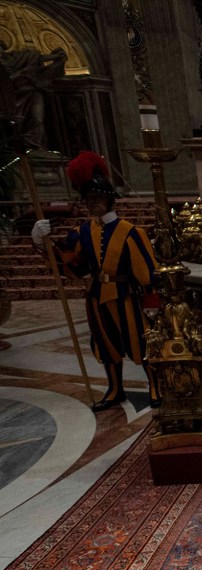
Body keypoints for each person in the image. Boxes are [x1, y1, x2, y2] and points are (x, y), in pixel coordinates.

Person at [32, 151, 160, 411]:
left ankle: (155, 386)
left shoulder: (131, 233)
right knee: (105, 344)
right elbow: (71, 264)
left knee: (141, 341)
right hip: (97, 297)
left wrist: (152, 304)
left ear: (109, 199)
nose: (94, 203)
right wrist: (41, 242)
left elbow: (147, 272)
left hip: (126, 296)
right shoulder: (81, 233)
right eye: (90, 199)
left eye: (98, 198)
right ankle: (115, 389)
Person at [0, 41, 67, 149]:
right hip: (9, 98)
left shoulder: (15, 57)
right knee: (16, 124)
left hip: (30, 92)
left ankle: (35, 145)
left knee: (38, 119)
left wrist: (55, 56)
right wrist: (20, 74)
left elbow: (37, 58)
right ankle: (20, 149)